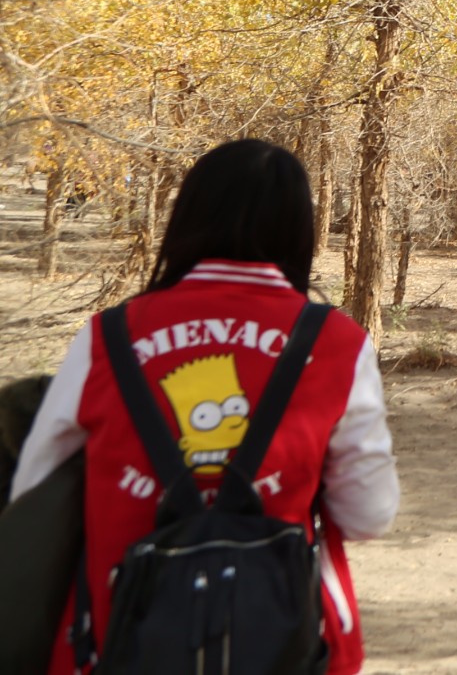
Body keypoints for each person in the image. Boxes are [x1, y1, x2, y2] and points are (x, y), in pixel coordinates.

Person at [9, 139, 399, 675]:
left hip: (110, 642)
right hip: (282, 643)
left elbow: (35, 489)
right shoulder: (338, 343)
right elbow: (369, 515)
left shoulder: (108, 336)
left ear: (187, 219)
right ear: (299, 232)